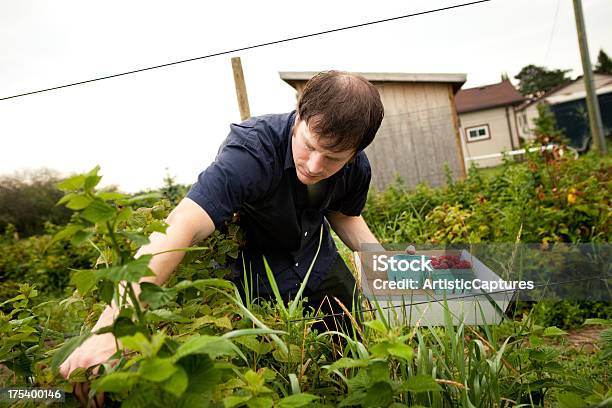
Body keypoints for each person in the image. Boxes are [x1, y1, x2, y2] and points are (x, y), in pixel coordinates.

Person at [59, 70, 387, 381]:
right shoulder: (251, 152)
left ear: (355, 152)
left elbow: (344, 215)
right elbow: (182, 224)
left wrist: (387, 264)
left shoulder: (357, 168)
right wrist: (117, 324)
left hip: (319, 265)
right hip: (255, 280)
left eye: (333, 158)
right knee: (266, 374)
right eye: (309, 146)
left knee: (352, 355)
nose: (315, 166)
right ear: (298, 117)